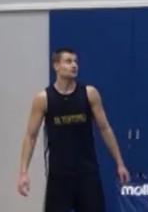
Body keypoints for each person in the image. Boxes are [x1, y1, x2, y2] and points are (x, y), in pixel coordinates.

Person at [17, 48, 131, 212]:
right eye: (68, 61)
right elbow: (30, 136)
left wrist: (120, 163)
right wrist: (23, 172)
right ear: (56, 66)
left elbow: (105, 129)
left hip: (87, 172)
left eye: (75, 61)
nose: (74, 65)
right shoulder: (43, 99)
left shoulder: (89, 94)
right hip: (59, 175)